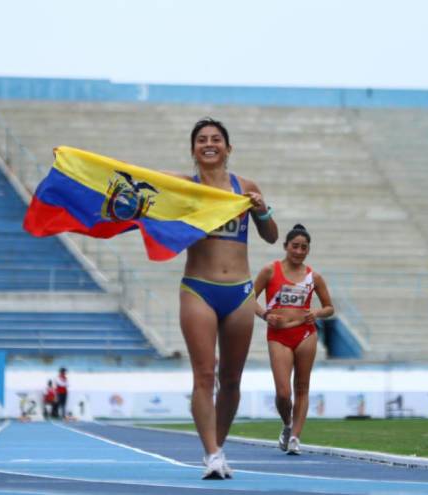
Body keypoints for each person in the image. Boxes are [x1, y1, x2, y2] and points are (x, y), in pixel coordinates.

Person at [166, 117, 278, 479]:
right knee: (205, 374)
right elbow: (139, 188)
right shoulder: (184, 187)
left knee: (231, 379)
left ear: (228, 148)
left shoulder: (245, 187)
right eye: (201, 139)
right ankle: (212, 453)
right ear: (193, 149)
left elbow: (272, 236)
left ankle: (217, 448)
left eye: (216, 139)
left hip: (240, 292)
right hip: (199, 288)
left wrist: (261, 210)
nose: (209, 143)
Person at [253, 224, 334, 455]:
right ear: (285, 246)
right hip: (278, 335)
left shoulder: (313, 276)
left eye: (304, 248)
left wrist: (316, 313)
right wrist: (266, 315)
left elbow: (330, 308)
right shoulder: (270, 270)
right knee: (283, 393)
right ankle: (287, 424)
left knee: (302, 388)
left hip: (306, 333)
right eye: (295, 246)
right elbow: (249, 298)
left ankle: (296, 438)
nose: (299, 251)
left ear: (308, 250)